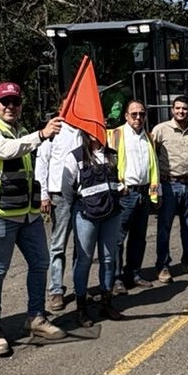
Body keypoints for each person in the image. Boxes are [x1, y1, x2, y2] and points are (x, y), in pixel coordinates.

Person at [0, 82, 68, 355]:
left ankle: (35, 317)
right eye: (5, 101)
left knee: (40, 263)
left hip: (28, 214)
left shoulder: (20, 131)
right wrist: (41, 134)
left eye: (15, 101)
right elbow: (8, 150)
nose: (11, 106)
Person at [65, 132, 126, 326]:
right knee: (84, 260)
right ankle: (81, 308)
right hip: (86, 215)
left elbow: (119, 179)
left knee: (108, 259)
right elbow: (66, 187)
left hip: (112, 213)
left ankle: (107, 301)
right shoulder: (75, 156)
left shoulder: (113, 154)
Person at [150, 95, 188, 281]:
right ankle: (163, 266)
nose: (181, 111)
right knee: (165, 227)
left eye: (184, 108)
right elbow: (151, 157)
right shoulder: (160, 130)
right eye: (177, 108)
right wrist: (155, 187)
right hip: (169, 184)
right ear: (172, 110)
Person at [109, 99, 161, 292]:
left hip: (144, 193)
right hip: (125, 194)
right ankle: (116, 279)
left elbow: (153, 165)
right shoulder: (115, 135)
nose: (138, 117)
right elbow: (107, 164)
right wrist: (117, 186)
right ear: (126, 116)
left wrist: (156, 192)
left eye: (141, 114)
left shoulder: (148, 136)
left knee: (139, 237)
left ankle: (134, 273)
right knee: (118, 239)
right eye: (134, 114)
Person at [35, 101, 80, 313]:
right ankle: (56, 290)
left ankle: (81, 288)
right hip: (59, 196)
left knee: (83, 245)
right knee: (59, 244)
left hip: (83, 195)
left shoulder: (83, 130)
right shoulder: (54, 131)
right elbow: (41, 163)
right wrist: (43, 194)